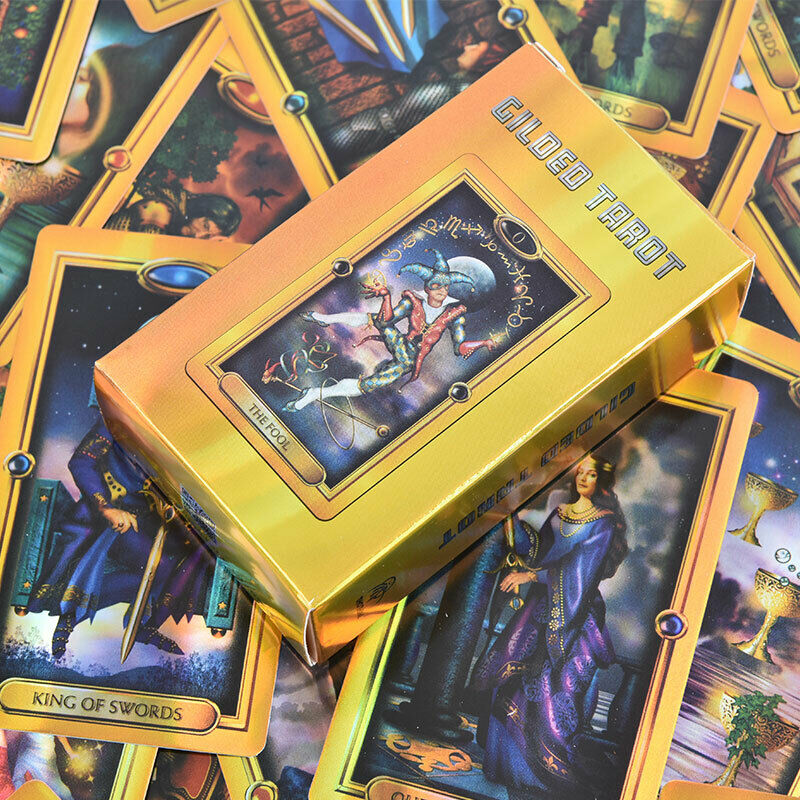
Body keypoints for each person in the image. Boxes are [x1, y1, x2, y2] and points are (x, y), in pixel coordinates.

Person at [471, 455, 629, 797]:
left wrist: (530, 576)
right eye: (580, 472)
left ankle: (537, 773)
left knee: (550, 693)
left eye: (591, 473)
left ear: (602, 480)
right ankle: (503, 767)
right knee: (510, 676)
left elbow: (579, 571)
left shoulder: (604, 524)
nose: (583, 478)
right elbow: (538, 554)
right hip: (538, 609)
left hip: (573, 616)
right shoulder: (559, 513)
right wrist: (513, 530)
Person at [27, 416, 212, 660]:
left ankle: (142, 626)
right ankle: (70, 611)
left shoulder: (193, 436)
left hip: (149, 523)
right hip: (103, 517)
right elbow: (81, 462)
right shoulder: (119, 418)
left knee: (169, 566)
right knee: (155, 564)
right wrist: (106, 508)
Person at [283, 248, 497, 412]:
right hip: (399, 341)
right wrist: (386, 297)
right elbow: (388, 320)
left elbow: (460, 347)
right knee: (378, 320)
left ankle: (314, 394)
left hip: (409, 359)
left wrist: (483, 343)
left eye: (445, 287)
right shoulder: (413, 301)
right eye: (436, 286)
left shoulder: (454, 315)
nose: (441, 291)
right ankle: (324, 318)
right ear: (428, 287)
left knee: (369, 385)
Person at [323, 40, 508, 164]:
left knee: (324, 155)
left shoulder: (465, 91)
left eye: (477, 47)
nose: (468, 47)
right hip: (372, 125)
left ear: (487, 60)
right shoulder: (455, 82)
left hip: (375, 134)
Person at [105, 179, 241, 239]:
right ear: (200, 210)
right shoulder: (162, 210)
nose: (198, 235)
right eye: (205, 226)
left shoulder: (179, 215)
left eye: (207, 235)